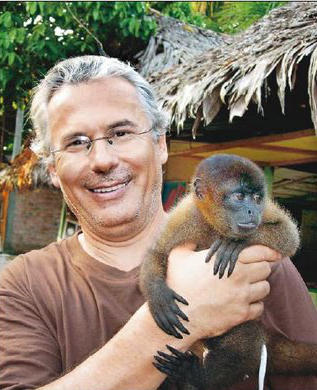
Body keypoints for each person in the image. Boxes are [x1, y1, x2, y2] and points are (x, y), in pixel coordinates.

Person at [0, 55, 316, 390]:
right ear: (52, 169)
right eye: (76, 142)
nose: (103, 160)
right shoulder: (23, 287)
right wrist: (172, 323)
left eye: (120, 132)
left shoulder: (256, 260)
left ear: (160, 144)